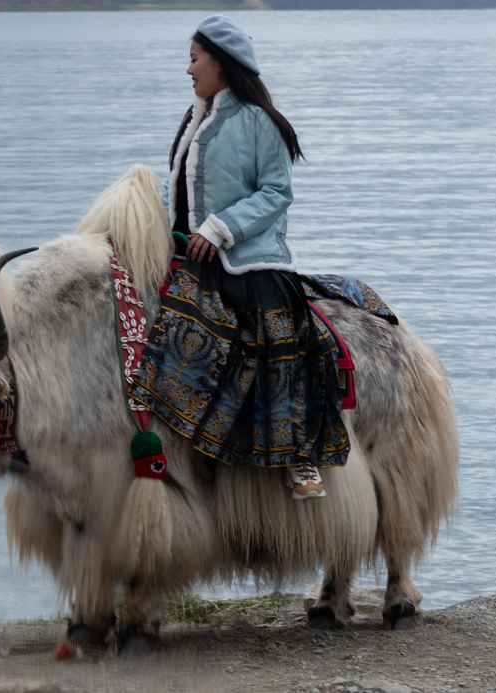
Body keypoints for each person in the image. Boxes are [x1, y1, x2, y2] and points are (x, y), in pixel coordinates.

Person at [129, 15, 350, 500]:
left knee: (279, 337)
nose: (188, 71)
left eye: (193, 59)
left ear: (221, 64)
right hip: (189, 255)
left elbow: (276, 192)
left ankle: (300, 456)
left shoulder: (258, 122)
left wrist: (221, 228)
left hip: (253, 257)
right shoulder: (195, 118)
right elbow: (180, 193)